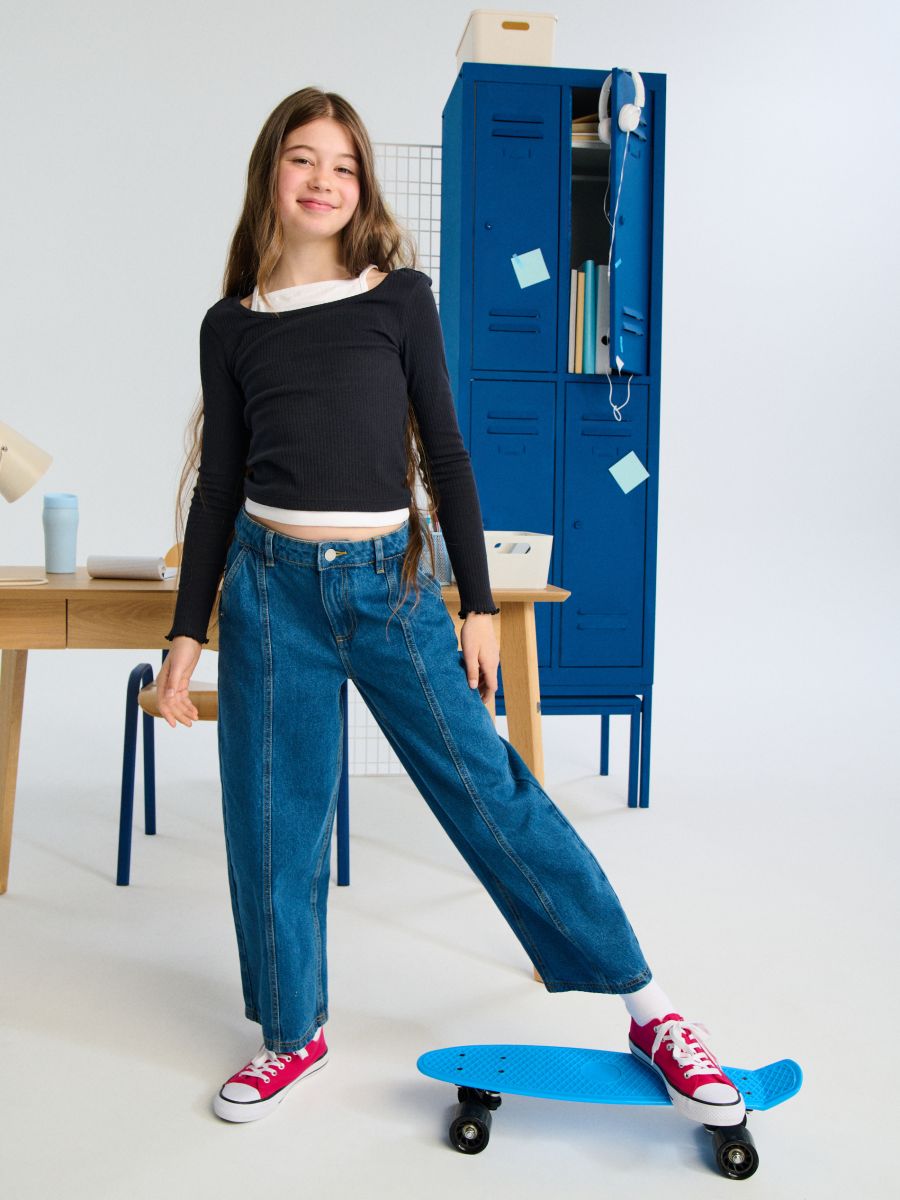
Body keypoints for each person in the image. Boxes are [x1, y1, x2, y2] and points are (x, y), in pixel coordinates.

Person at [158, 86, 744, 1127]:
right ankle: (292, 1033)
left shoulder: (399, 300)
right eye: (304, 159)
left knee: (490, 792)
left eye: (344, 165)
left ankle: (649, 1010)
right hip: (268, 592)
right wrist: (184, 636)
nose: (325, 181)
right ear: (270, 174)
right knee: (272, 818)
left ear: (363, 185)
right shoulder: (231, 326)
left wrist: (477, 605)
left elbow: (449, 454)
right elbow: (217, 489)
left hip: (389, 589)